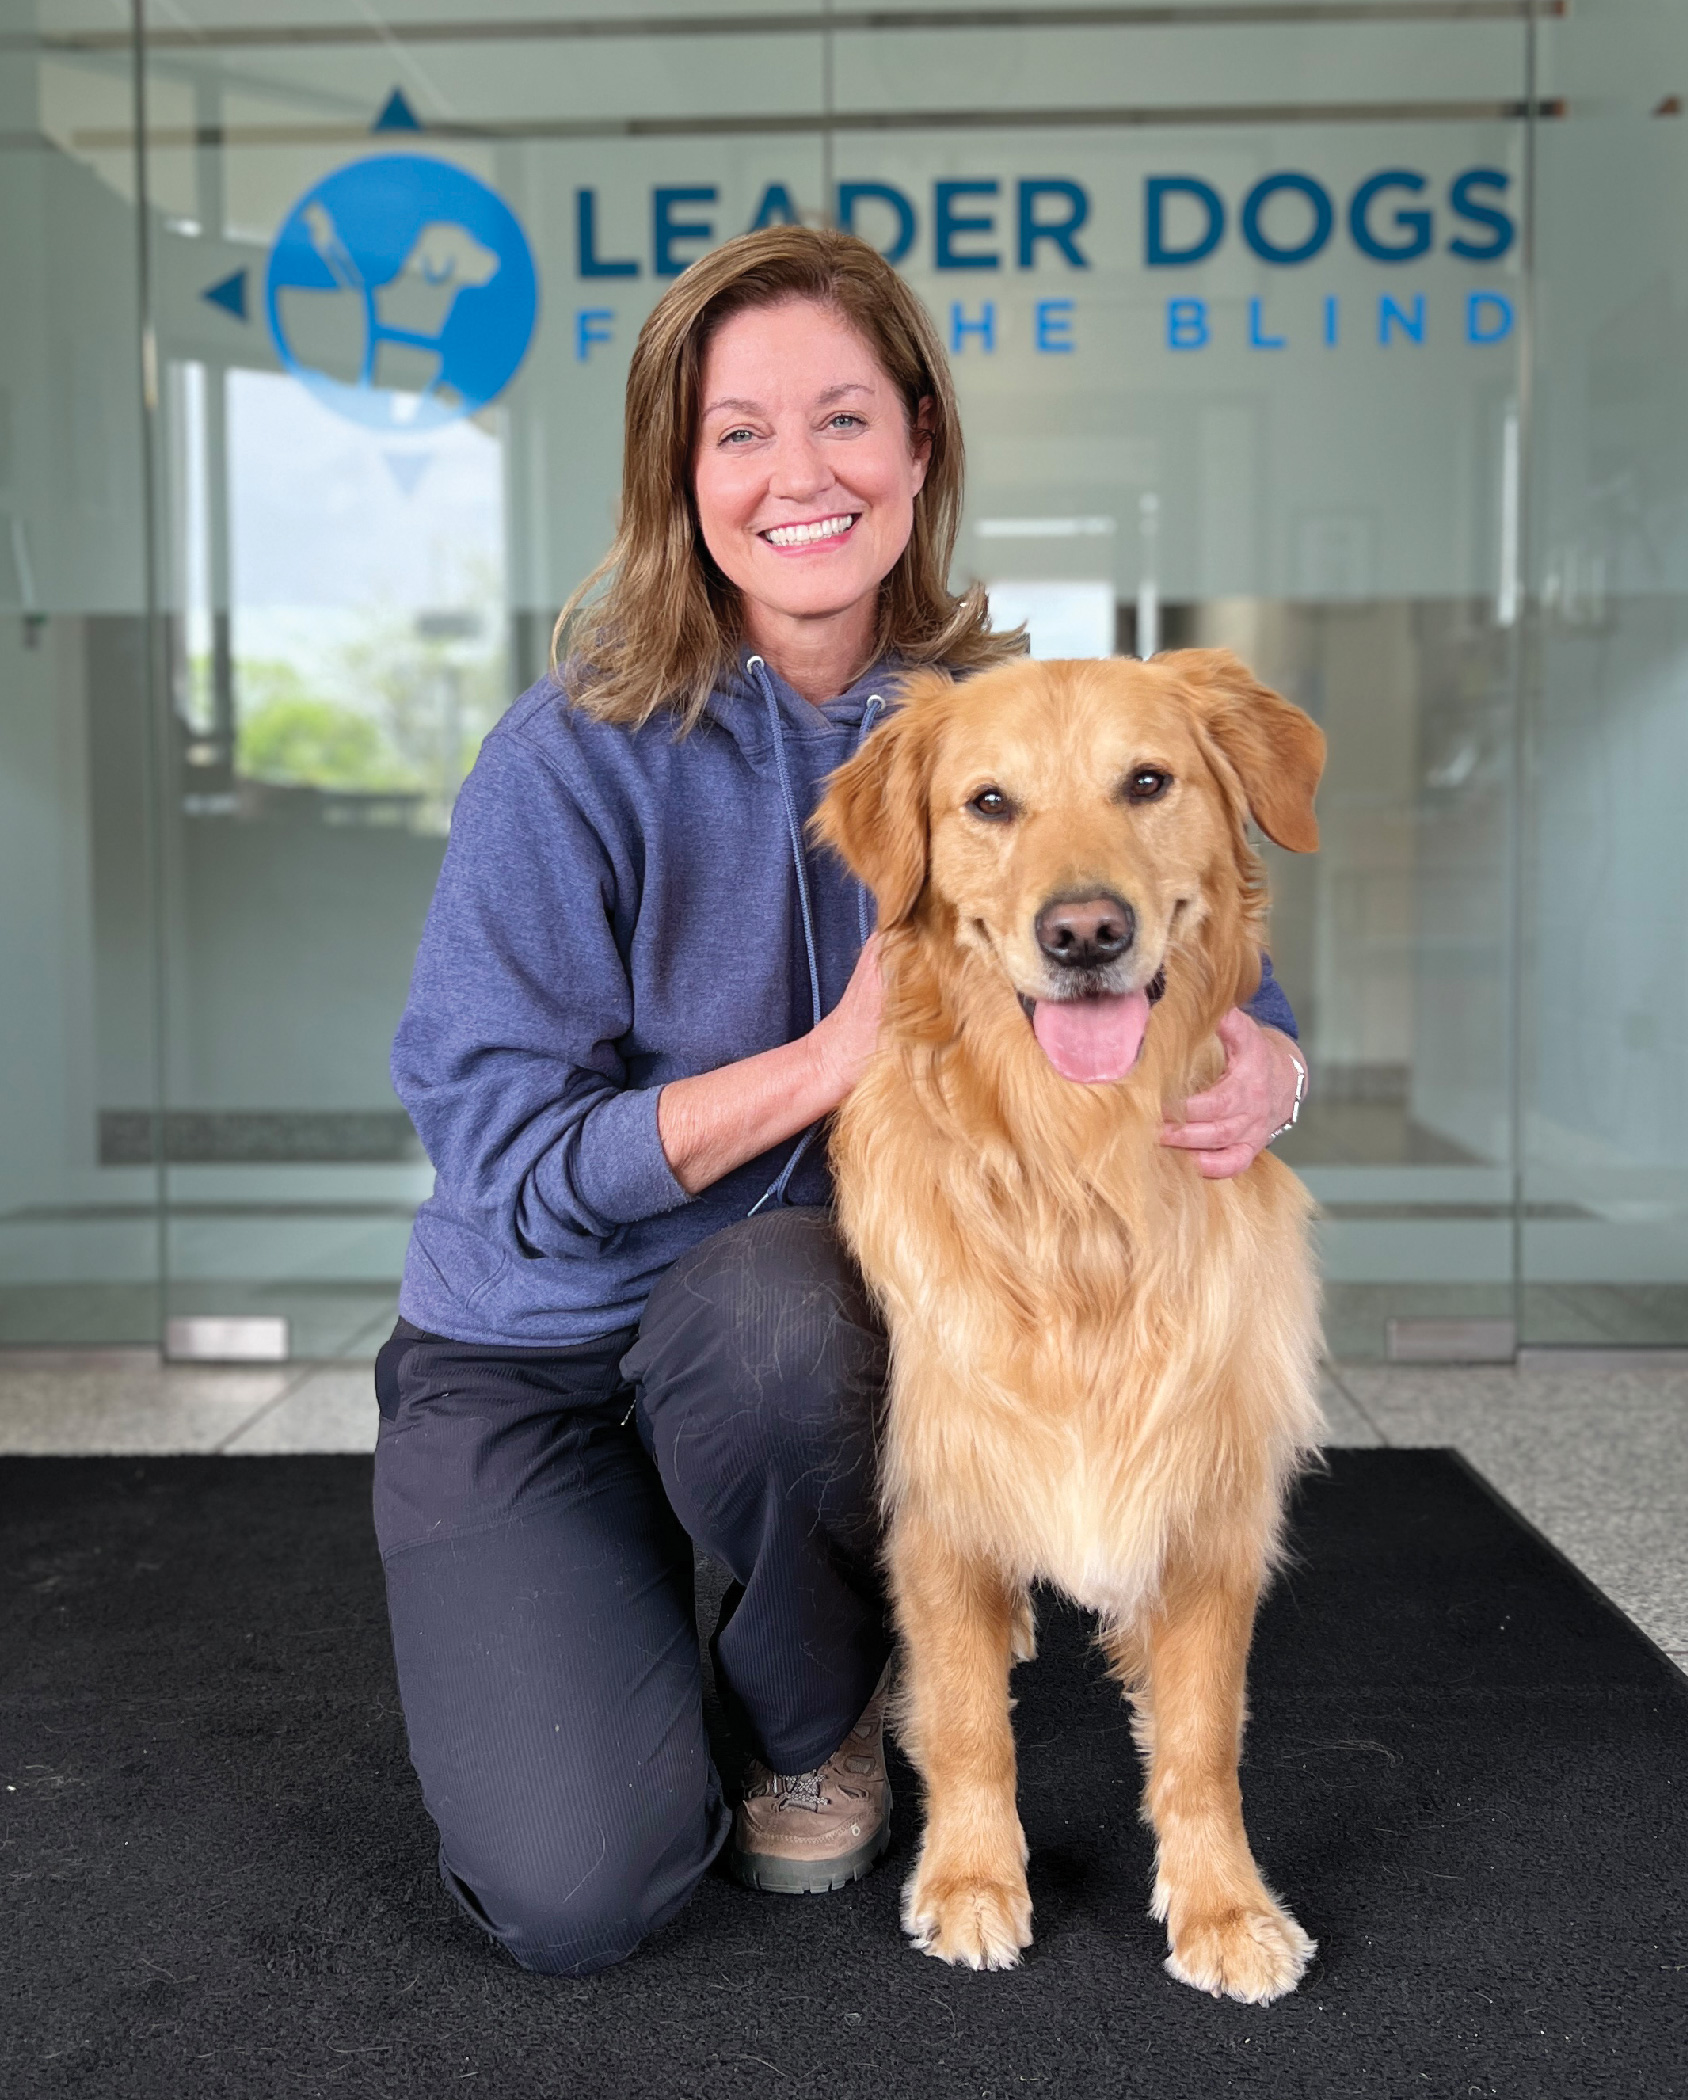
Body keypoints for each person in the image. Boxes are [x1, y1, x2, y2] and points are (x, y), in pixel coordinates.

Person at [373, 225, 1310, 1979]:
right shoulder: (567, 760)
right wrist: (821, 1064)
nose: (799, 473)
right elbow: (498, 1162)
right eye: (739, 432)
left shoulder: (1014, 713)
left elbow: (1187, 914)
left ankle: (808, 1696)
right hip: (547, 1354)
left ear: (921, 444)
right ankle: (652, 1590)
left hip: (790, 1343)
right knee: (578, 1892)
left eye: (846, 419)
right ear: (682, 475)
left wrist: (1277, 1060)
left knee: (795, 1324)